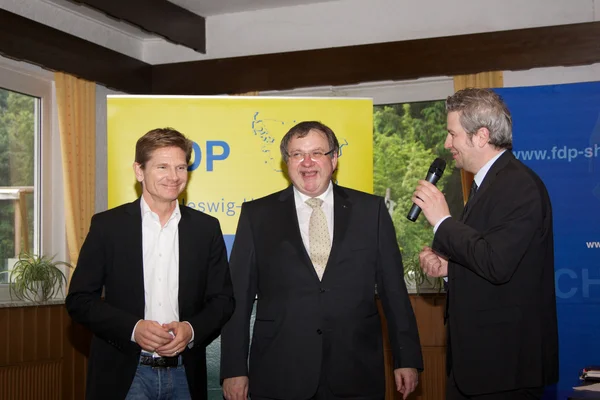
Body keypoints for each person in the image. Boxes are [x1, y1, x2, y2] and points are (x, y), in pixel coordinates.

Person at [220, 121, 423, 400]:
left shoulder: (370, 211)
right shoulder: (257, 215)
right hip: (280, 373)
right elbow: (238, 299)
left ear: (334, 158)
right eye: (297, 154)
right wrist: (233, 368)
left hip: (355, 371)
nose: (307, 163)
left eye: (317, 152)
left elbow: (394, 292)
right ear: (286, 162)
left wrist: (407, 358)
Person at [66, 127, 234, 400]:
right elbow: (79, 300)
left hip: (185, 375)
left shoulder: (206, 228)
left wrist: (191, 330)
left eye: (181, 167)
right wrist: (133, 329)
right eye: (162, 167)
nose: (174, 176)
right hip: (124, 375)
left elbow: (223, 299)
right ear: (139, 170)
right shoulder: (108, 226)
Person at [413, 88, 559, 399]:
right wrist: (450, 269)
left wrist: (443, 221)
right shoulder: (488, 184)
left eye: (452, 134)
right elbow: (490, 259)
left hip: (505, 370)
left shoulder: (518, 185)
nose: (446, 144)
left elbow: (497, 264)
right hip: (479, 367)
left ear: (481, 136)